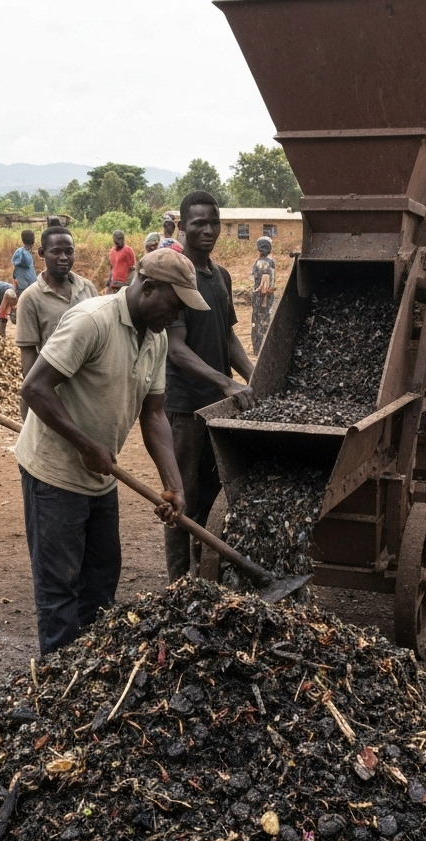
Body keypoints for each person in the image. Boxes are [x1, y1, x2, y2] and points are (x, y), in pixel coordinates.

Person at [16, 248, 209, 654]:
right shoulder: (92, 321)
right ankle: (58, 683)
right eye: (173, 306)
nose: (174, 319)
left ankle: (91, 669)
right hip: (55, 472)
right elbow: (34, 388)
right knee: (59, 587)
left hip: (101, 478)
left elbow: (154, 414)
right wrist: (86, 445)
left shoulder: (154, 338)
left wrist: (174, 485)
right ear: (148, 286)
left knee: (102, 581)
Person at [164, 190, 256, 582]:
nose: (208, 230)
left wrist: (253, 377)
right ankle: (178, 581)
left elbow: (229, 338)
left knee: (213, 493)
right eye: (198, 223)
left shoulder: (220, 276)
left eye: (214, 222)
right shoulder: (175, 274)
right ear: (182, 226)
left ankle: (203, 576)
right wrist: (224, 382)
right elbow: (175, 347)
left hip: (216, 407)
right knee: (181, 495)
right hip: (185, 406)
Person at [15, 224, 98, 417]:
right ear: (42, 253)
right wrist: (40, 397)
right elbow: (28, 360)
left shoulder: (87, 289)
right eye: (56, 252)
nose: (64, 258)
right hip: (52, 393)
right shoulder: (31, 298)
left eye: (69, 252)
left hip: (86, 392)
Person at [250, 236, 277, 353]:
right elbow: (265, 285)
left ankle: (258, 348)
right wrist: (264, 299)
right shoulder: (266, 263)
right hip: (263, 296)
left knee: (258, 320)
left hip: (260, 296)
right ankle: (261, 348)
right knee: (262, 320)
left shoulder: (260, 262)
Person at [12, 230, 38, 295]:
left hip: (22, 286)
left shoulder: (19, 252)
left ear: (22, 240)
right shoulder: (27, 254)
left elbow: (15, 267)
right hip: (32, 286)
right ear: (33, 240)